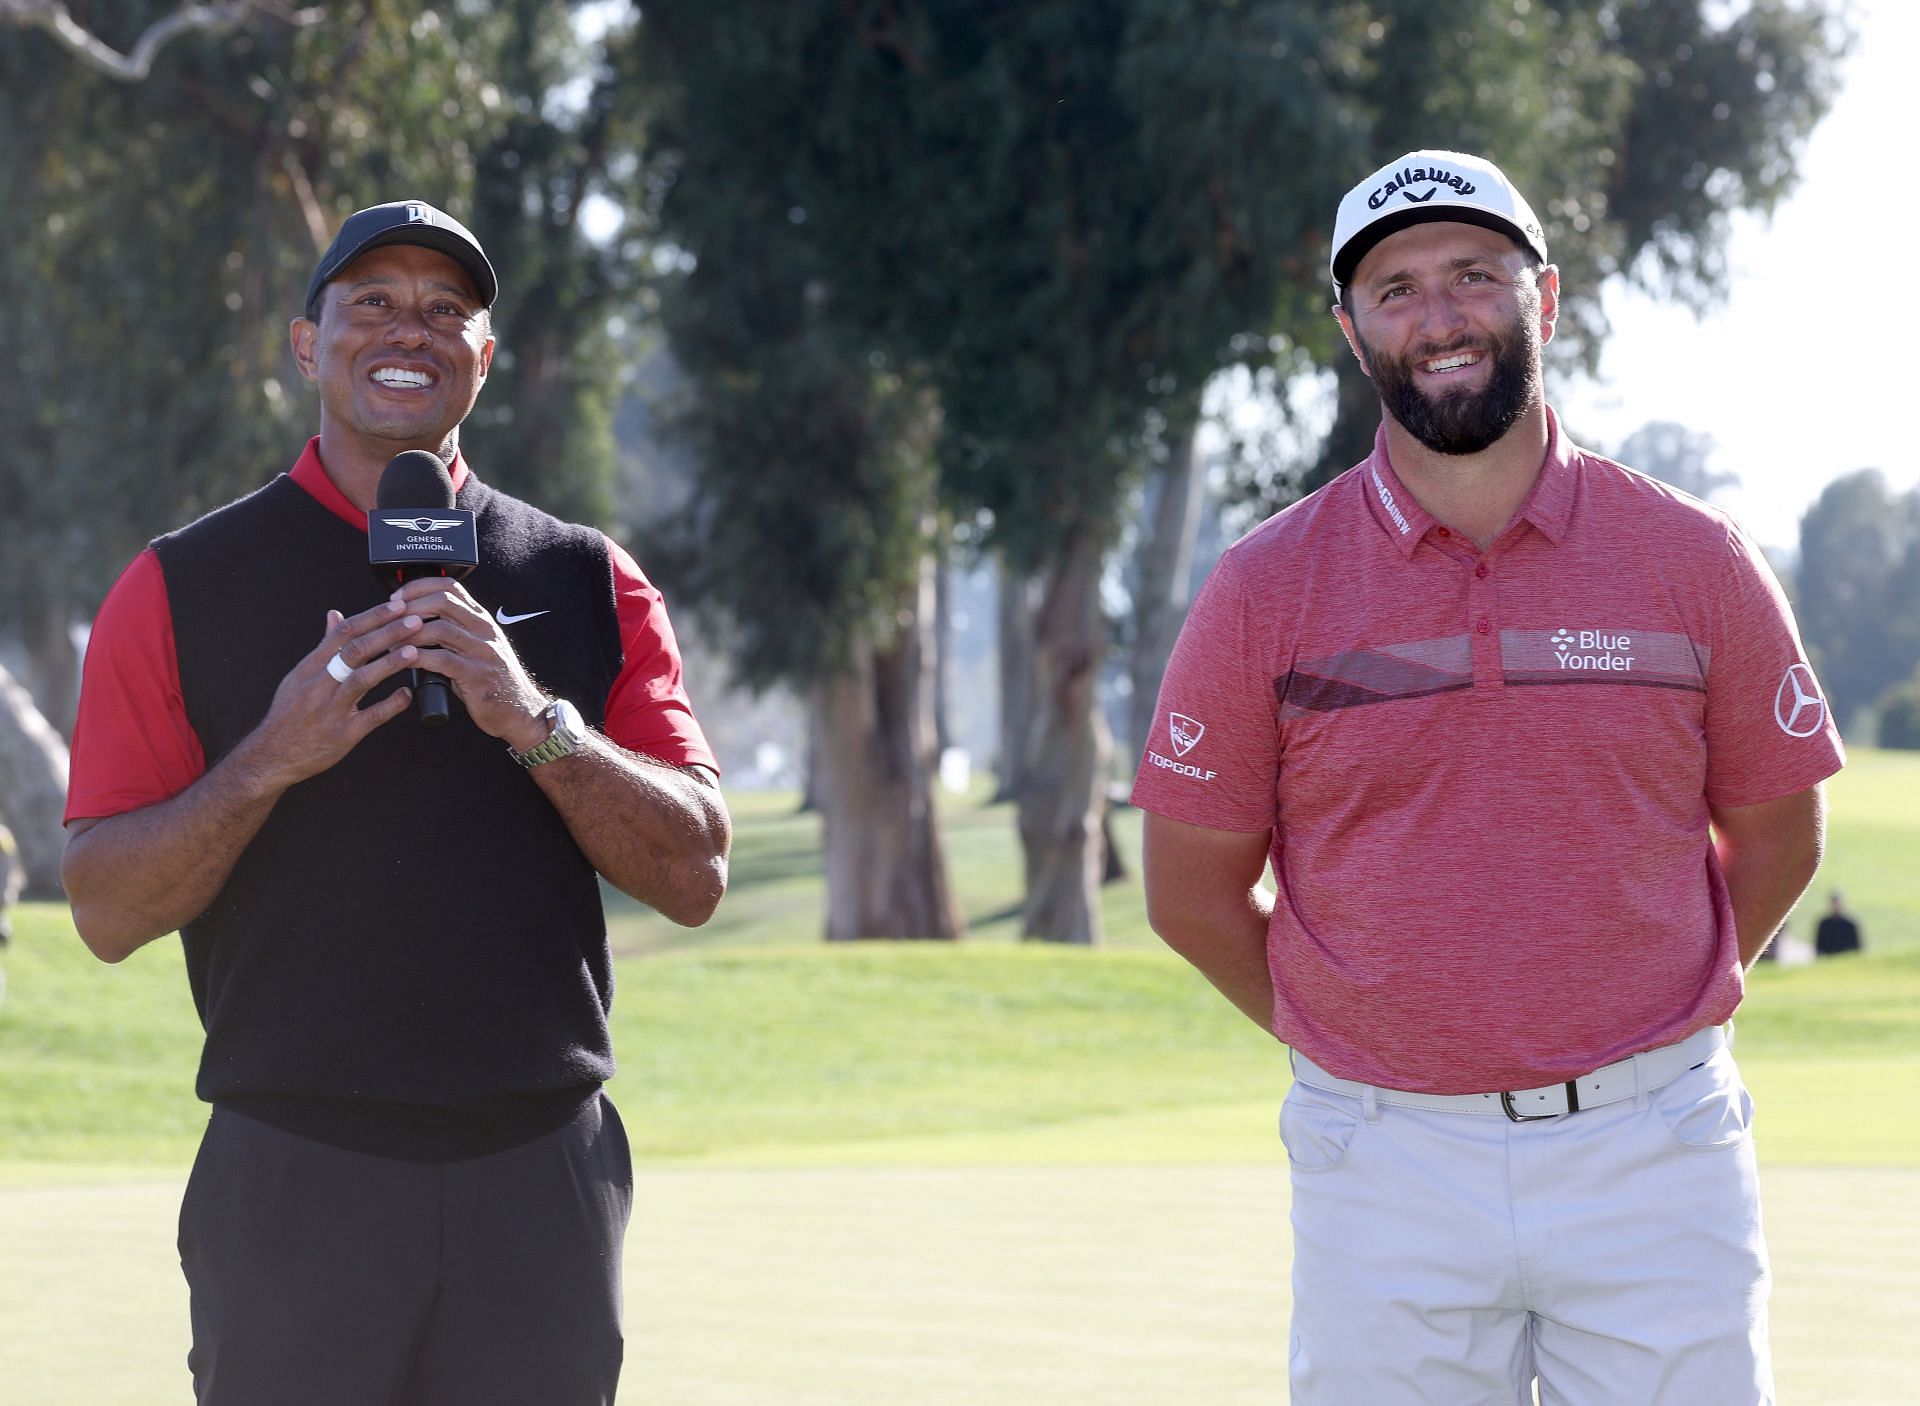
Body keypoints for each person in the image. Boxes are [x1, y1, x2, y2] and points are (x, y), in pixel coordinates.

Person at [1133, 150, 1844, 1404]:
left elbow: (1783, 831)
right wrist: (1363, 1038)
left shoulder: (1695, 559)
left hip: (1654, 1147)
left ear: (1546, 300)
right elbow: (1190, 892)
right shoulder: (1264, 588)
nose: (1439, 315)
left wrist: (1641, 1002)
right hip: (1384, 1161)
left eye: (1473, 274)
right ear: (1353, 334)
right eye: (1396, 289)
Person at [62, 200, 731, 1406]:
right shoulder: (179, 584)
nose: (405, 330)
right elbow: (106, 907)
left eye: (443, 310)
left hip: (541, 1176)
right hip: (294, 1172)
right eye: (369, 301)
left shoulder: (587, 578)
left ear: (484, 356)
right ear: (304, 343)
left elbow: (694, 872)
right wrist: (271, 754)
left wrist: (535, 722)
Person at [1814, 890, 1862, 955]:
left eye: (1837, 903)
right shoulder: (1824, 924)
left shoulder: (1850, 924)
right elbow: (1819, 947)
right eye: (1833, 903)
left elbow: (1856, 947)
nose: (1836, 906)